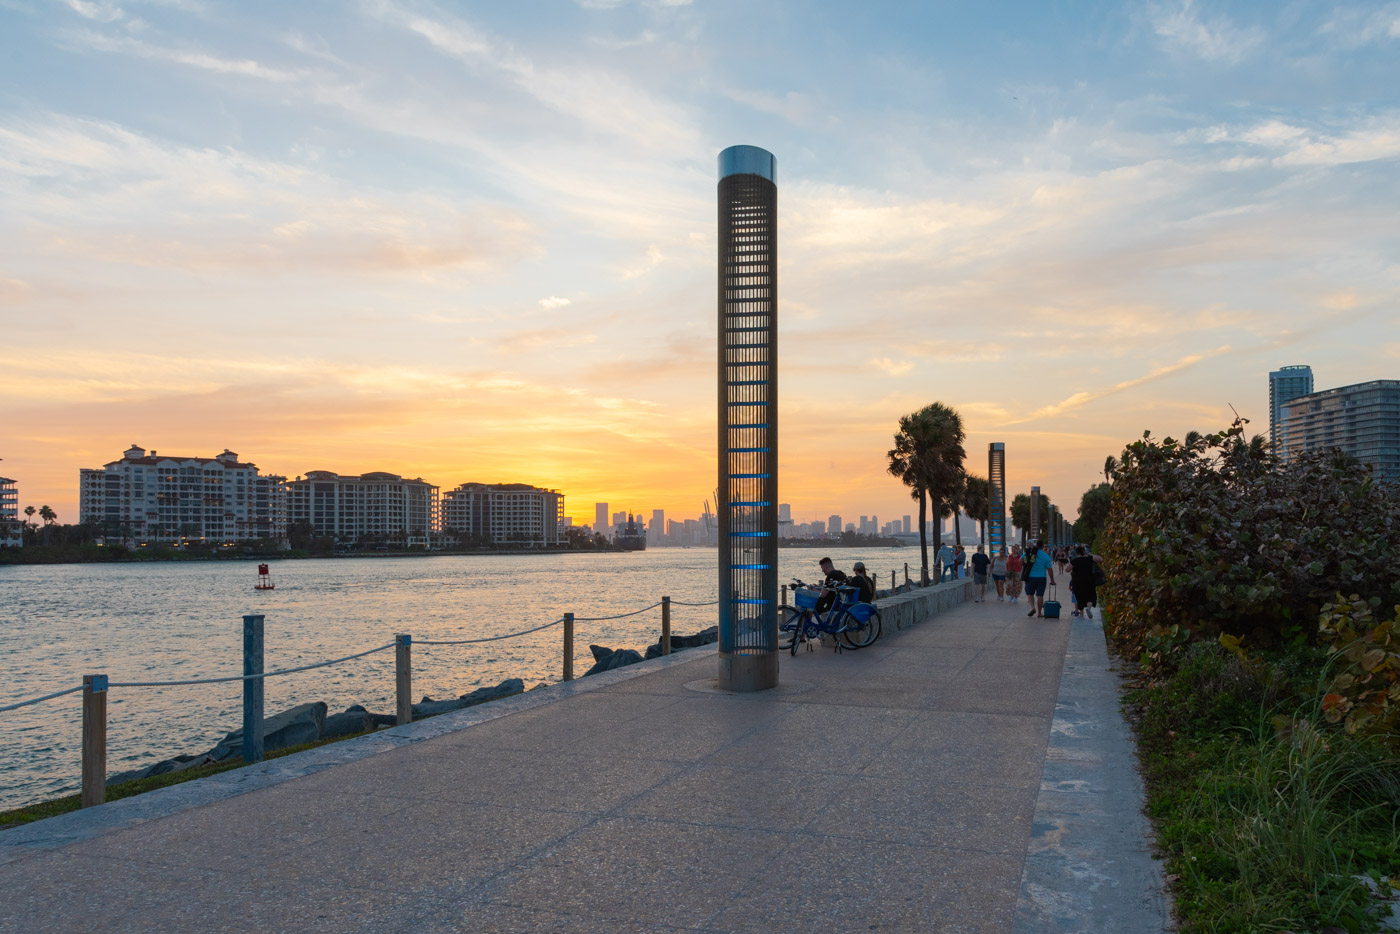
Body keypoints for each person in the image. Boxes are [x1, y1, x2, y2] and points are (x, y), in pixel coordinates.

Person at [1024, 540, 1057, 618]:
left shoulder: (1030, 553)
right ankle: (1039, 613)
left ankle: (1032, 607)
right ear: (1043, 547)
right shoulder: (1046, 556)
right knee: (1040, 595)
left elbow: (1021, 560)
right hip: (1041, 578)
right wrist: (1052, 580)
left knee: (1030, 594)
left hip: (1030, 577)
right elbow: (1049, 570)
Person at [1069, 545, 1102, 619]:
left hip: (1077, 583)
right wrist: (1090, 554)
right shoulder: (1089, 559)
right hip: (1089, 581)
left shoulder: (1074, 561)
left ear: (1076, 553)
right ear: (1084, 552)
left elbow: (1067, 569)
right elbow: (1100, 559)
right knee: (1090, 597)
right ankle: (1089, 608)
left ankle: (1081, 614)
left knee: (1080, 597)